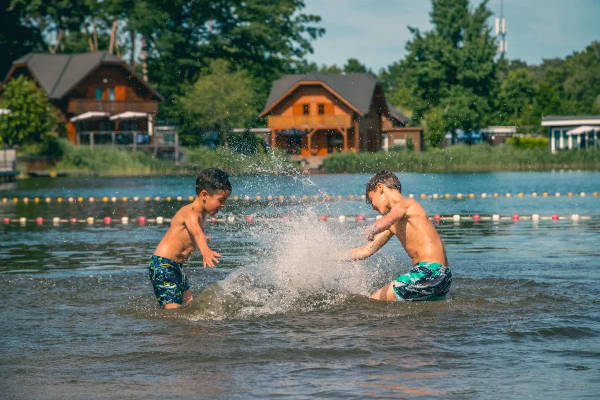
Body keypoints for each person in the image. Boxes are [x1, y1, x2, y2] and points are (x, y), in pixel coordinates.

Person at [347, 170, 451, 302]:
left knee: (371, 303)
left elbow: (386, 221)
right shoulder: (394, 222)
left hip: (429, 272)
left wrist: (373, 229)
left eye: (372, 200)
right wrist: (328, 257)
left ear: (380, 187)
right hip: (443, 278)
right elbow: (364, 251)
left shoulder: (408, 204)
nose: (373, 207)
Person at [148, 168, 231, 309]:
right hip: (163, 266)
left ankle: (187, 331)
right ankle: (169, 330)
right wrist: (205, 251)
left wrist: (203, 240)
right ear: (204, 194)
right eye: (221, 200)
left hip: (175, 267)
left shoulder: (201, 215)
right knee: (173, 311)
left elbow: (194, 235)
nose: (223, 205)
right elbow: (196, 232)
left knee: (189, 306)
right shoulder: (190, 212)